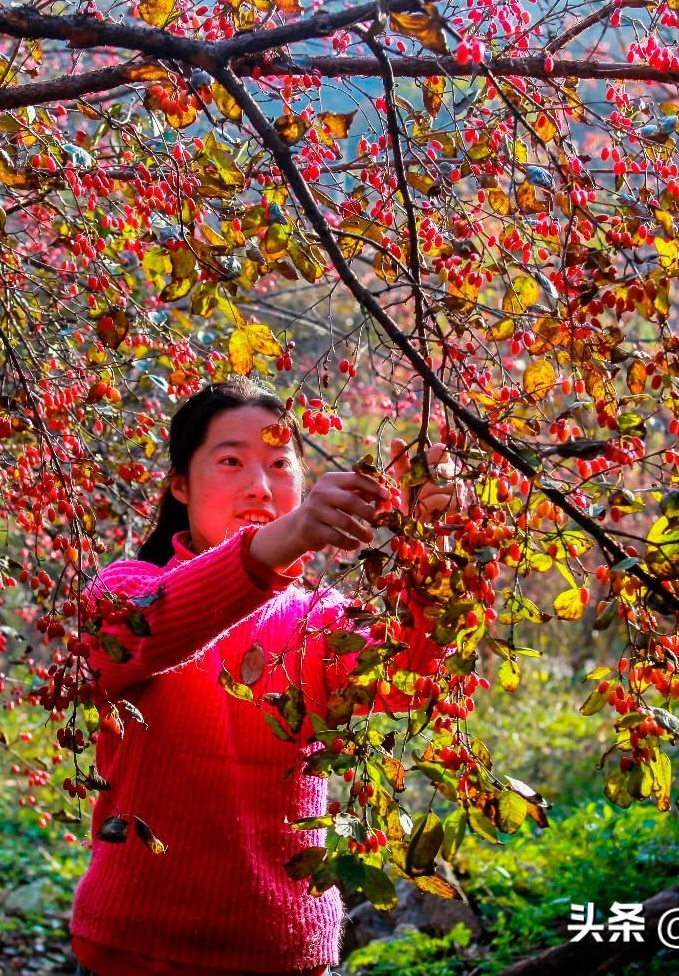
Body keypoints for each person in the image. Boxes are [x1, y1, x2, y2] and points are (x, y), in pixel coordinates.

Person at [70, 379, 456, 975]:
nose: (259, 486)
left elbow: (406, 676)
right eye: (230, 462)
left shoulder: (320, 620)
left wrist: (435, 551)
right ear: (180, 485)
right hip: (136, 951)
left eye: (280, 464)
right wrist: (289, 537)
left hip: (285, 954)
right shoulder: (122, 592)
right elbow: (150, 627)